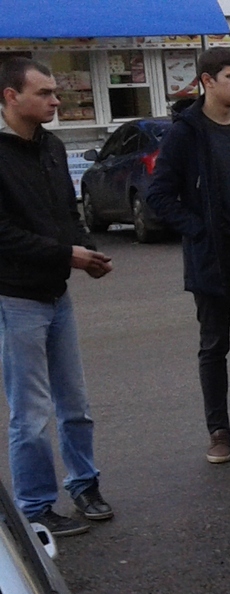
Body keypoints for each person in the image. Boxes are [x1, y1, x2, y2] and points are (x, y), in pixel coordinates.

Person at [0, 58, 114, 536]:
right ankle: (36, 507)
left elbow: (67, 209)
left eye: (55, 93)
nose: (55, 101)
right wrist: (67, 254)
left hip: (56, 293)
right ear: (10, 96)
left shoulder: (47, 145)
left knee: (75, 402)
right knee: (29, 414)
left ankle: (84, 485)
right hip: (16, 297)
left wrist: (85, 248)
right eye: (45, 93)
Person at [145, 47, 230, 466]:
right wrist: (198, 230)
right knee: (214, 346)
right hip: (211, 258)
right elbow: (160, 195)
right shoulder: (187, 131)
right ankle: (218, 432)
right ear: (207, 81)